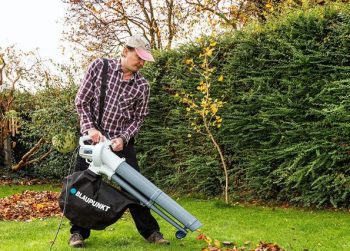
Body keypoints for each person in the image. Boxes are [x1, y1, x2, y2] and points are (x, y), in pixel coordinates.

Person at [70, 34, 169, 248]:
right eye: (139, 57)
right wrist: (91, 128)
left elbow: (138, 118)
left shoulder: (142, 86)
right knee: (83, 187)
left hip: (121, 145)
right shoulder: (100, 67)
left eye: (145, 59)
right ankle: (77, 233)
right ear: (125, 50)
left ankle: (151, 232)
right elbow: (81, 101)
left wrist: (123, 138)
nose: (142, 63)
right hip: (94, 141)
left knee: (135, 188)